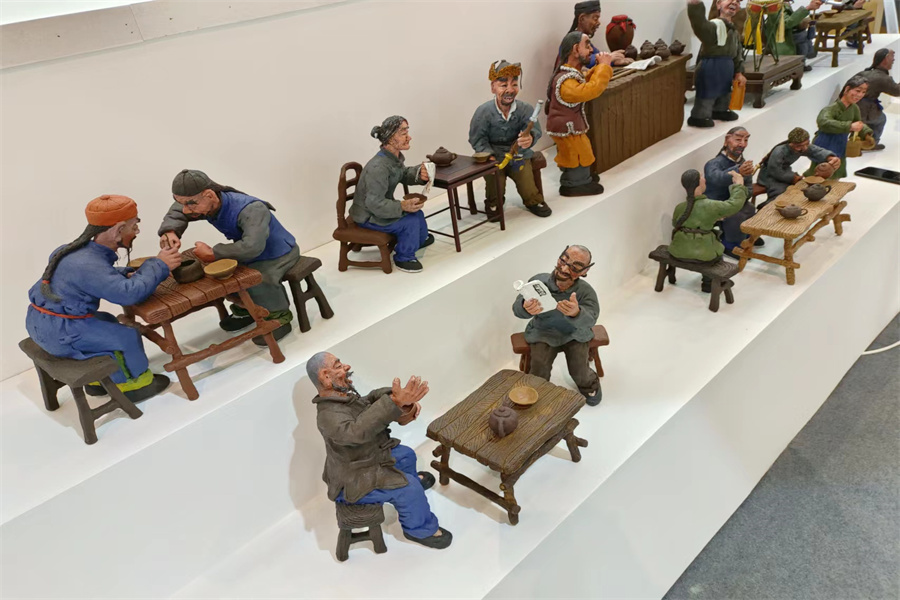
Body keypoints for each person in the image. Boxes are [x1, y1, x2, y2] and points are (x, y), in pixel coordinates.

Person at [27, 195, 181, 402]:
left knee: (108, 320)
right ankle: (134, 385)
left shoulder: (72, 251)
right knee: (127, 337)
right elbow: (128, 294)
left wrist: (124, 273)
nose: (136, 232)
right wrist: (159, 265)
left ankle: (101, 381)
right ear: (118, 230)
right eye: (134, 226)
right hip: (60, 333)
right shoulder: (88, 265)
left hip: (42, 322)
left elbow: (95, 276)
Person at [308, 351, 452, 549]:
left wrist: (396, 397)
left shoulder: (342, 398)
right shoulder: (328, 415)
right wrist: (394, 402)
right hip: (353, 480)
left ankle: (411, 492)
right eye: (338, 366)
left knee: (406, 455)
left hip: (368, 458)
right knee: (409, 488)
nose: (346, 367)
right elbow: (356, 432)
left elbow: (368, 402)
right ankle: (419, 529)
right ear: (325, 376)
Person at [158, 169, 300, 344]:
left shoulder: (251, 209)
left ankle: (278, 317)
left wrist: (214, 253)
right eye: (182, 203)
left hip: (277, 253)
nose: (186, 210)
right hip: (247, 252)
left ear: (209, 195)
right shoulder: (204, 203)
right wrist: (170, 231)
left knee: (260, 278)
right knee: (225, 275)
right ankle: (247, 309)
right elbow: (178, 210)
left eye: (190, 204)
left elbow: (253, 246)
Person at [512, 245, 602, 405]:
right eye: (564, 260)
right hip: (544, 331)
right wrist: (525, 307)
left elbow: (591, 319)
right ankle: (537, 390)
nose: (565, 268)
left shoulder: (585, 292)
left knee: (579, 369)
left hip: (574, 333)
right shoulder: (538, 282)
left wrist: (577, 313)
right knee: (539, 366)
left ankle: (589, 383)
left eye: (575, 267)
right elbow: (517, 309)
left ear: (584, 271)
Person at [349, 116, 434, 274]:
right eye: (403, 133)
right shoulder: (378, 168)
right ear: (389, 138)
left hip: (379, 209)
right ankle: (404, 257)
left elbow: (402, 174)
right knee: (410, 222)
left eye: (407, 132)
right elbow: (374, 203)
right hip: (369, 215)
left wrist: (418, 173)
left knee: (417, 214)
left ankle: (417, 240)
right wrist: (402, 206)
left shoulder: (392, 159)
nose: (409, 137)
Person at [469, 60, 552, 218]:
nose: (510, 90)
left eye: (514, 84)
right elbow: (477, 138)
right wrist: (488, 155)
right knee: (495, 182)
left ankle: (533, 200)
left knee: (525, 179)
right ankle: (494, 202)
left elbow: (534, 130)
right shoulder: (483, 112)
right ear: (493, 87)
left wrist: (530, 139)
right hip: (494, 157)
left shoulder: (525, 109)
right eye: (503, 85)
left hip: (518, 154)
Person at [546, 31, 619, 196]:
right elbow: (590, 90)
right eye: (587, 45)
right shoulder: (565, 81)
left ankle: (583, 178)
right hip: (568, 128)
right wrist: (603, 67)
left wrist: (600, 67)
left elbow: (585, 79)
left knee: (582, 150)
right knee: (576, 154)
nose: (591, 50)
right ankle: (574, 184)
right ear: (575, 49)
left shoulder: (571, 74)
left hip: (571, 126)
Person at [669, 169, 747, 291]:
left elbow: (676, 223)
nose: (704, 179)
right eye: (701, 177)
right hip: (702, 253)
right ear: (698, 183)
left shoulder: (679, 207)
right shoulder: (711, 205)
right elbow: (734, 205)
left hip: (678, 250)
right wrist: (739, 185)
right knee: (716, 251)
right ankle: (708, 283)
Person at [703, 127, 762, 257]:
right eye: (738, 139)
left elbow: (748, 187)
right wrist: (738, 171)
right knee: (736, 215)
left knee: (750, 208)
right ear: (727, 140)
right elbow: (716, 178)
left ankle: (745, 236)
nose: (742, 144)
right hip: (716, 202)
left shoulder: (743, 164)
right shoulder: (713, 163)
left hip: (735, 201)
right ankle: (730, 244)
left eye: (746, 140)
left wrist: (743, 195)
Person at [687, 0, 746, 128]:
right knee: (707, 92)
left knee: (725, 91)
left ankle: (720, 110)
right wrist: (695, 6)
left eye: (737, 1)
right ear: (718, 4)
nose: (734, 2)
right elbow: (699, 25)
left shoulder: (734, 31)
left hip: (727, 67)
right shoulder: (713, 26)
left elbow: (737, 54)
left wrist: (738, 72)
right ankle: (699, 116)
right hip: (711, 66)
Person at [804, 76, 873, 179]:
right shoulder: (831, 108)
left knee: (838, 167)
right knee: (821, 168)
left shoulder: (854, 108)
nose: (860, 95)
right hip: (825, 142)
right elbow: (824, 122)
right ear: (847, 89)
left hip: (841, 142)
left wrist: (866, 133)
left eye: (863, 92)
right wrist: (849, 126)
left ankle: (834, 184)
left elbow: (858, 124)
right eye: (857, 91)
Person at [758, 128, 840, 206]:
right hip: (769, 175)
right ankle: (767, 207)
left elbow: (815, 151)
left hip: (785, 172)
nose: (804, 148)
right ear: (791, 144)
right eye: (799, 146)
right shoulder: (779, 151)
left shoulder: (802, 147)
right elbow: (775, 170)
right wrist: (792, 177)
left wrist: (830, 157)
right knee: (780, 192)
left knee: (799, 189)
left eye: (807, 144)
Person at [857, 49, 900, 150]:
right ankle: (871, 143)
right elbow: (897, 91)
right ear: (885, 59)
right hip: (864, 108)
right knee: (880, 119)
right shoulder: (882, 78)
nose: (893, 60)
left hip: (853, 105)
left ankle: (862, 139)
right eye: (892, 57)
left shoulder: (864, 73)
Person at [778, 0, 823, 71]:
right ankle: (800, 63)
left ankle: (802, 61)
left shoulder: (785, 4)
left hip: (790, 34)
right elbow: (787, 23)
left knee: (804, 36)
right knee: (802, 39)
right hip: (784, 37)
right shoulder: (778, 6)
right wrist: (807, 8)